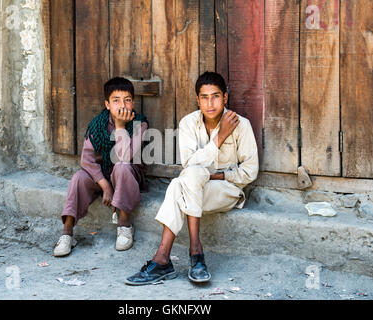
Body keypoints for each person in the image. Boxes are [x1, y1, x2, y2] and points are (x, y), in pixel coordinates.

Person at [125, 71, 258, 285]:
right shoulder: (188, 123)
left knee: (180, 184)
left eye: (215, 96)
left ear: (225, 97)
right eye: (204, 97)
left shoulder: (240, 124)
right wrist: (220, 137)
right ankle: (190, 256)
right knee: (186, 180)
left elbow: (250, 172)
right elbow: (190, 165)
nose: (210, 103)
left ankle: (167, 259)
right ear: (198, 100)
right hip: (195, 186)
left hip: (226, 189)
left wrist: (215, 174)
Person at [54, 77, 149, 256]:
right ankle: (67, 232)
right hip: (103, 176)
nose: (122, 105)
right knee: (79, 178)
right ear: (107, 104)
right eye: (116, 100)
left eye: (127, 100)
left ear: (133, 103)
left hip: (128, 174)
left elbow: (126, 157)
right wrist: (105, 186)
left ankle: (124, 224)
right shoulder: (98, 125)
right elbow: (87, 160)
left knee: (121, 167)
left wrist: (120, 127)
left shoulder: (140, 124)